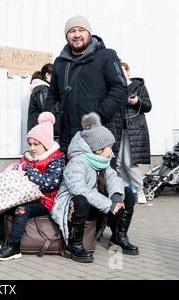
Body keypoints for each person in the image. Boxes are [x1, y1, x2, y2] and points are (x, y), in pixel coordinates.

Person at [51, 112, 139, 264]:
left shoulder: (101, 160)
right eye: (108, 148)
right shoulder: (77, 162)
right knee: (81, 200)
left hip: (95, 200)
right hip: (72, 205)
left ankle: (118, 236)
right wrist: (108, 204)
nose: (111, 152)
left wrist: (116, 197)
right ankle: (74, 244)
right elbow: (79, 190)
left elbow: (113, 178)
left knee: (127, 194)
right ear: (98, 149)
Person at [0, 112, 64, 261]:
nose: (32, 148)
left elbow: (51, 183)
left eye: (36, 144)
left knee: (22, 209)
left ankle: (13, 246)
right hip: (24, 195)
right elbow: (18, 170)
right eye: (30, 144)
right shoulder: (27, 158)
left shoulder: (55, 160)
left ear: (46, 144)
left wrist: (28, 171)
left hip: (44, 201)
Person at [43, 15, 127, 156]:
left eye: (81, 30)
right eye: (72, 31)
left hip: (100, 135)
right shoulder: (60, 62)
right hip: (68, 137)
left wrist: (99, 115)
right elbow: (52, 95)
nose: (77, 35)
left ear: (89, 33)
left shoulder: (106, 56)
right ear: (66, 36)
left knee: (103, 178)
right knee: (72, 177)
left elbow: (120, 88)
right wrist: (46, 120)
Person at [115, 62, 152, 204]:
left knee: (129, 163)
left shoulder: (139, 86)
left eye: (124, 71)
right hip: (118, 129)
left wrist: (138, 101)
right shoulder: (115, 87)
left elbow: (148, 106)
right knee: (118, 163)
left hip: (134, 130)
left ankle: (140, 190)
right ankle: (126, 192)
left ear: (128, 72)